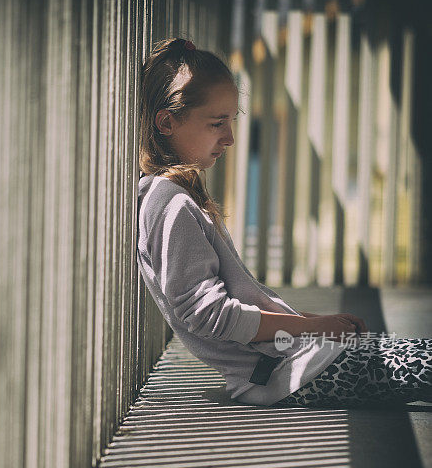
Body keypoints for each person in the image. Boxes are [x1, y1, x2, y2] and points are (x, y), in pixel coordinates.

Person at [136, 37, 432, 408]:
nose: (229, 138)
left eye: (231, 121)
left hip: (299, 358)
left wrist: (314, 321)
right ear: (167, 122)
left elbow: (237, 305)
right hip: (287, 373)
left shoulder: (176, 195)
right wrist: (312, 327)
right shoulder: (170, 202)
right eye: (216, 124)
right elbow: (209, 316)